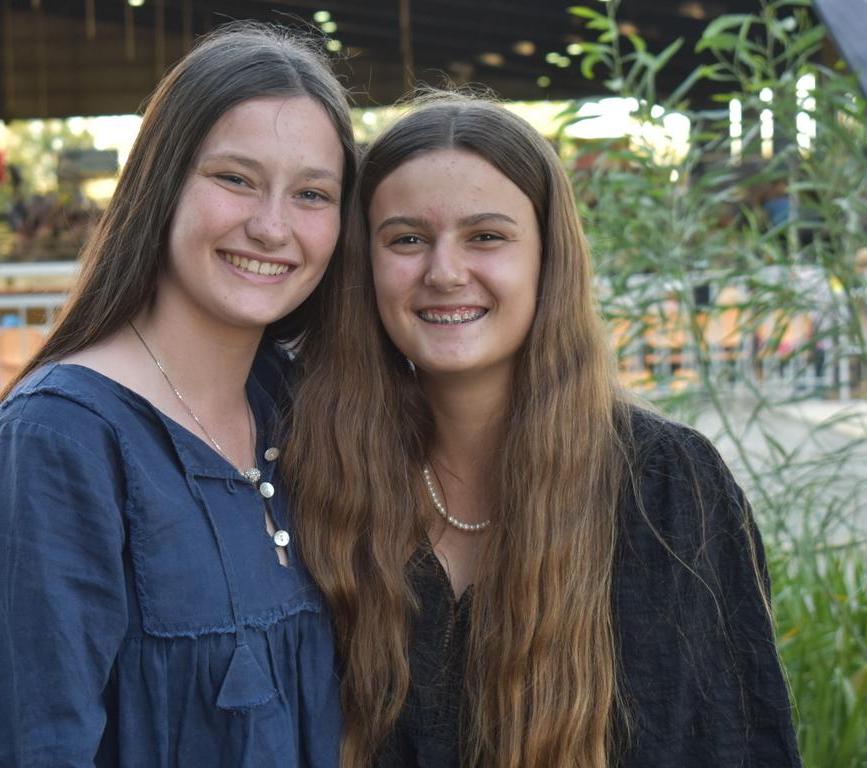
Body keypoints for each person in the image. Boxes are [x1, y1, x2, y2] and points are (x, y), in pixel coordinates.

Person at [284, 96, 801, 768]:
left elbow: (738, 745)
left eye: (487, 237)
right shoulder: (316, 474)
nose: (444, 271)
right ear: (364, 265)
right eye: (407, 239)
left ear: (547, 258)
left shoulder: (667, 488)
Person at [0, 23, 356, 766]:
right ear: (163, 183)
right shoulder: (54, 449)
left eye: (312, 193)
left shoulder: (304, 407)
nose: (272, 225)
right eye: (235, 179)